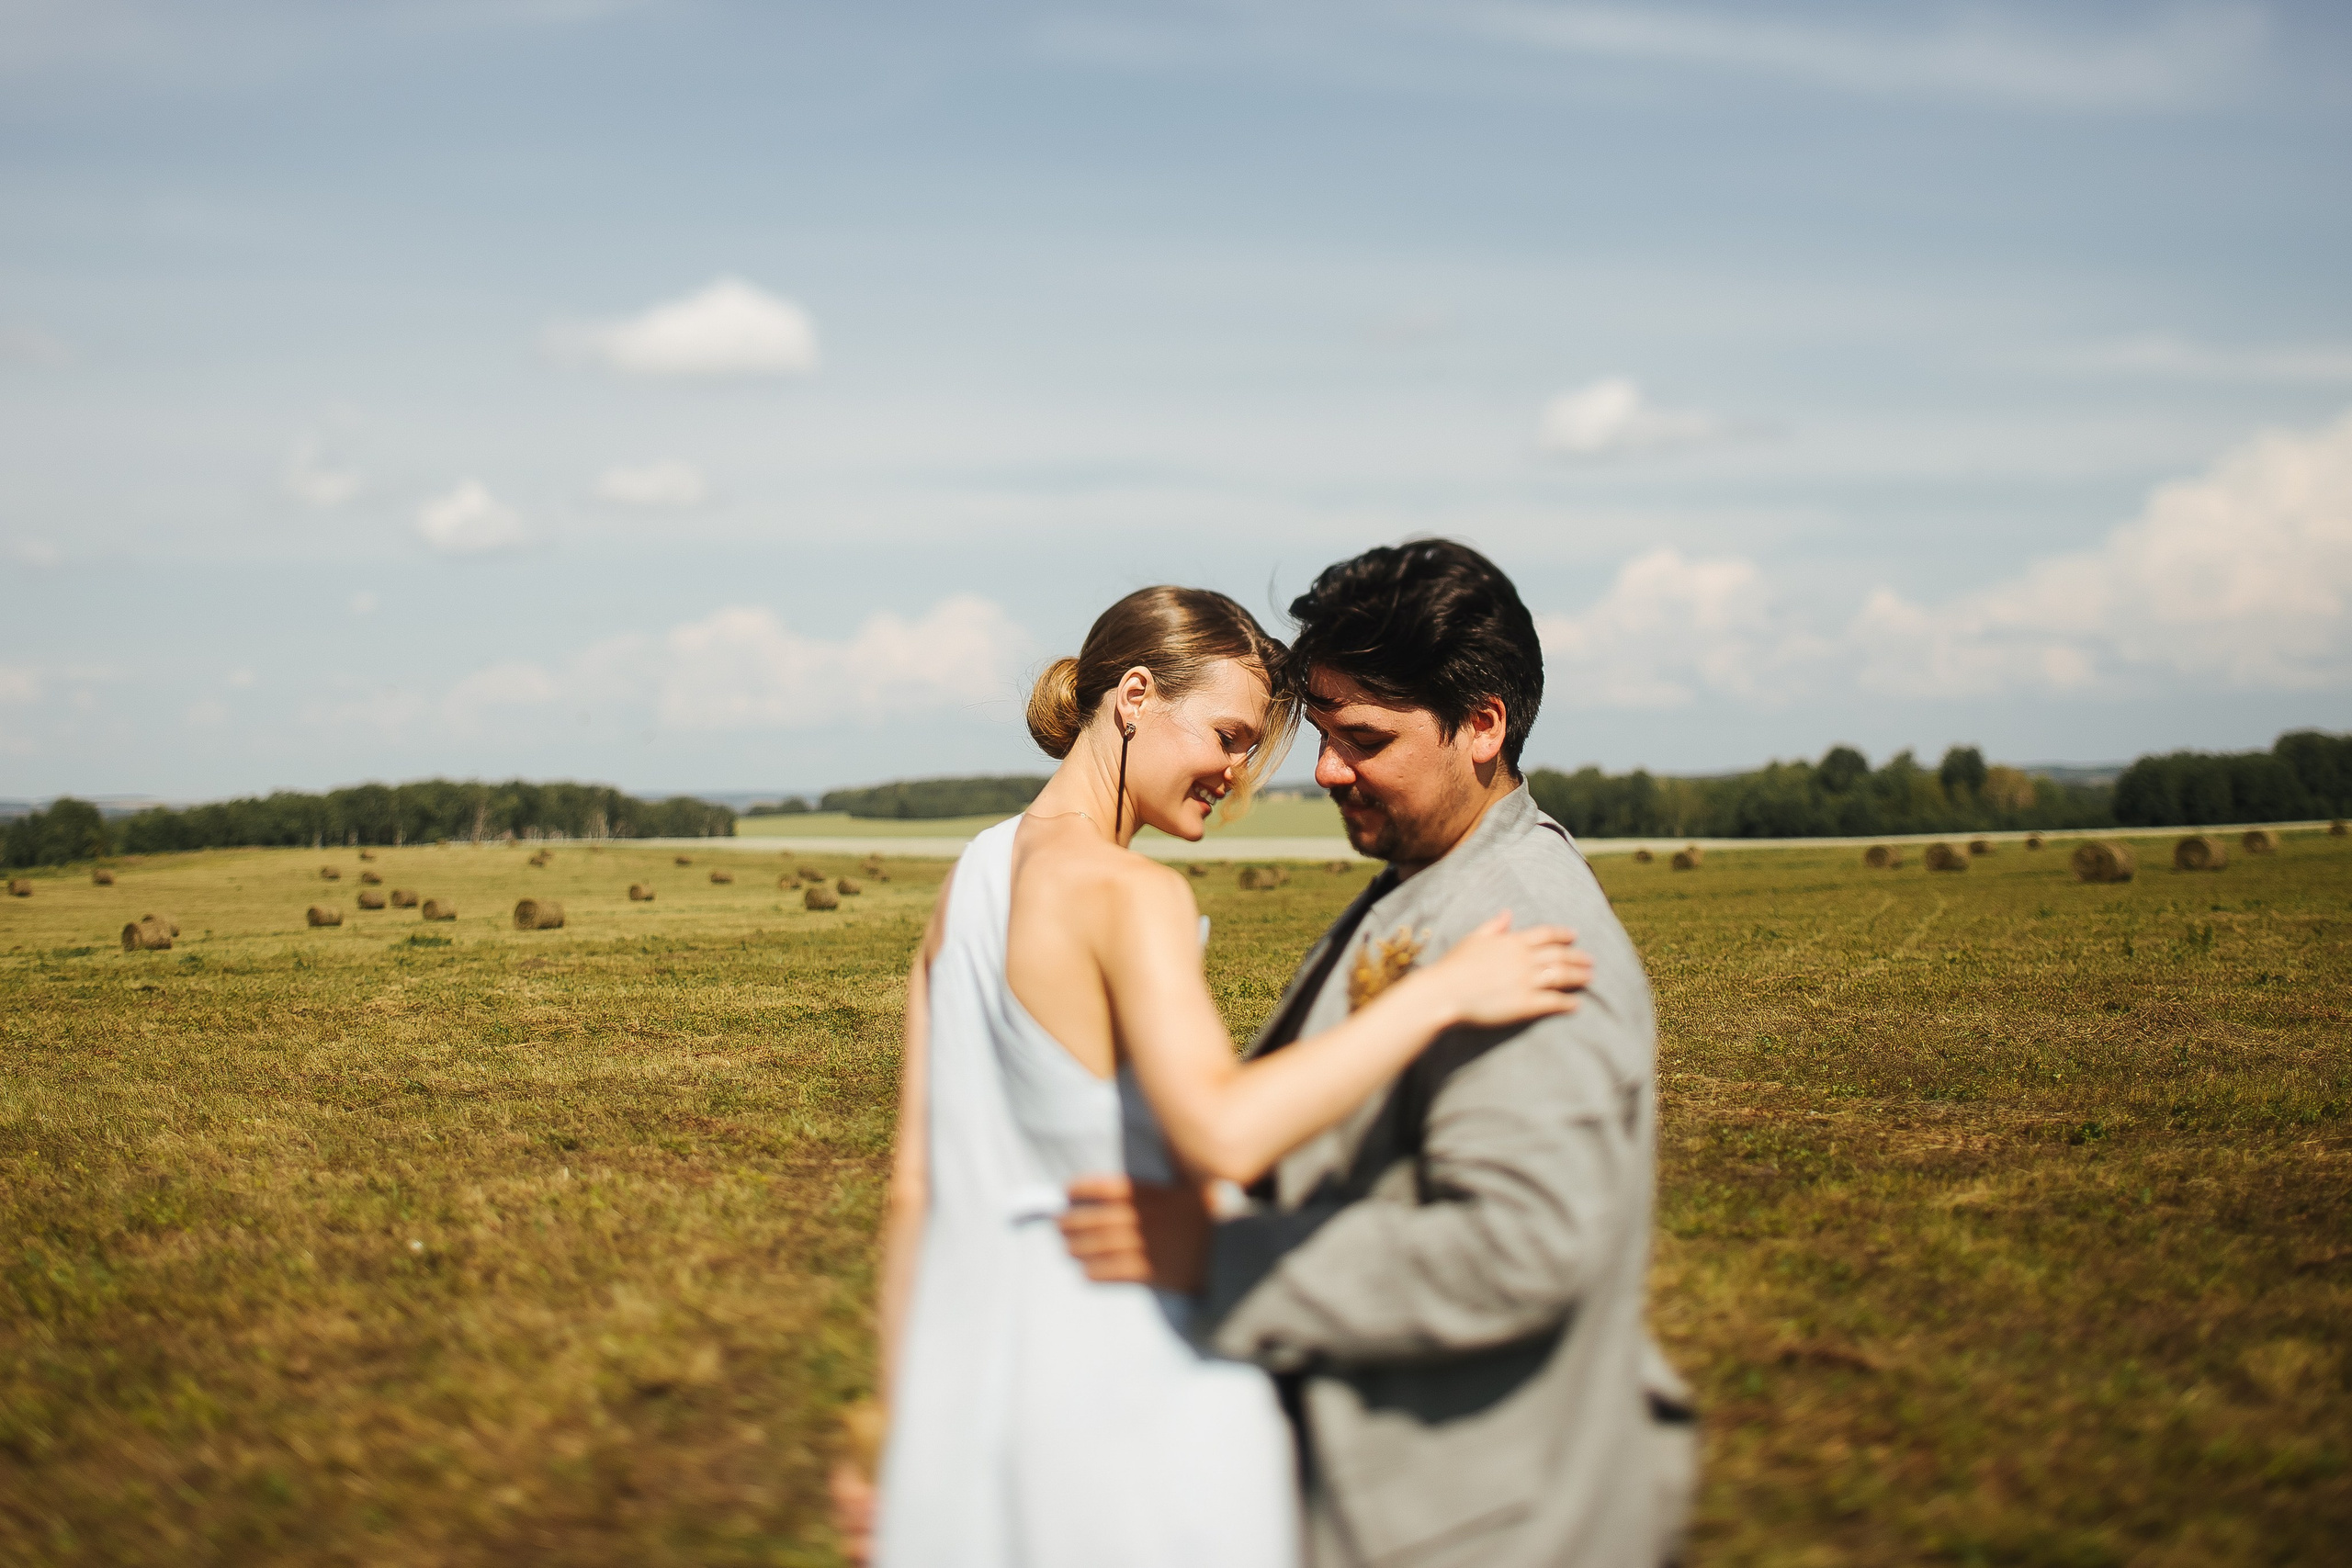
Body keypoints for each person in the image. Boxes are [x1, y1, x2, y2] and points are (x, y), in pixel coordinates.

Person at [867, 585, 1594, 1568]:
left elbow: (916, 1190)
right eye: (1227, 733)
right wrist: (1440, 994)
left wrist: (902, 1422)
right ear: (1133, 697)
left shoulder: (971, 880)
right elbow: (1225, 1131)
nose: (1235, 772)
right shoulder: (1133, 896)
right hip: (1143, 1382)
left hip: (982, 1395)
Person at [1058, 543, 1698, 1567]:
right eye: (1321, 732)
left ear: (1482, 725)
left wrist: (1215, 1260)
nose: (1325, 771)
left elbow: (1517, 1250)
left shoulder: (1522, 934)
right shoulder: (1433, 874)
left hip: (1477, 1528)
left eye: (1363, 738)